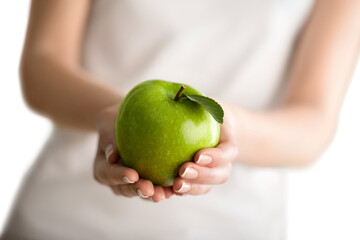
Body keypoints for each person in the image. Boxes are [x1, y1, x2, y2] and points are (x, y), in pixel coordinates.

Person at [2, 0, 360, 239]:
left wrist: (226, 129)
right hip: (64, 221)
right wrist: (119, 116)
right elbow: (42, 65)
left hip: (234, 227)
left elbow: (314, 122)